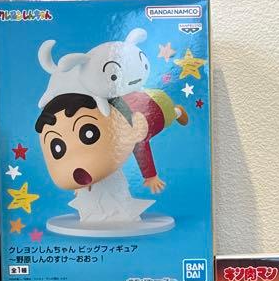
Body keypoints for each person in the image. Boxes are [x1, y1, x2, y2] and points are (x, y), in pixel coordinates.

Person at [35, 91, 186, 228]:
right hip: (129, 102)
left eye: (89, 133)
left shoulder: (129, 130)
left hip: (155, 107)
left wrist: (150, 176)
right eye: (57, 147)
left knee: (169, 115)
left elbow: (141, 147)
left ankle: (178, 112)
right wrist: (81, 183)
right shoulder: (109, 116)